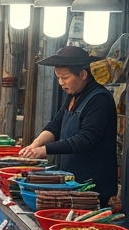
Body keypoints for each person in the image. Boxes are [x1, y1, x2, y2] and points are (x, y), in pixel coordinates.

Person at [23, 45, 119, 205]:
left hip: (92, 186)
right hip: (73, 181)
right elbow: (56, 123)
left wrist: (45, 150)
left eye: (65, 77)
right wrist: (35, 144)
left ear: (82, 74)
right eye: (58, 77)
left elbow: (86, 139)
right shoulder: (74, 95)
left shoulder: (100, 99)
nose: (61, 82)